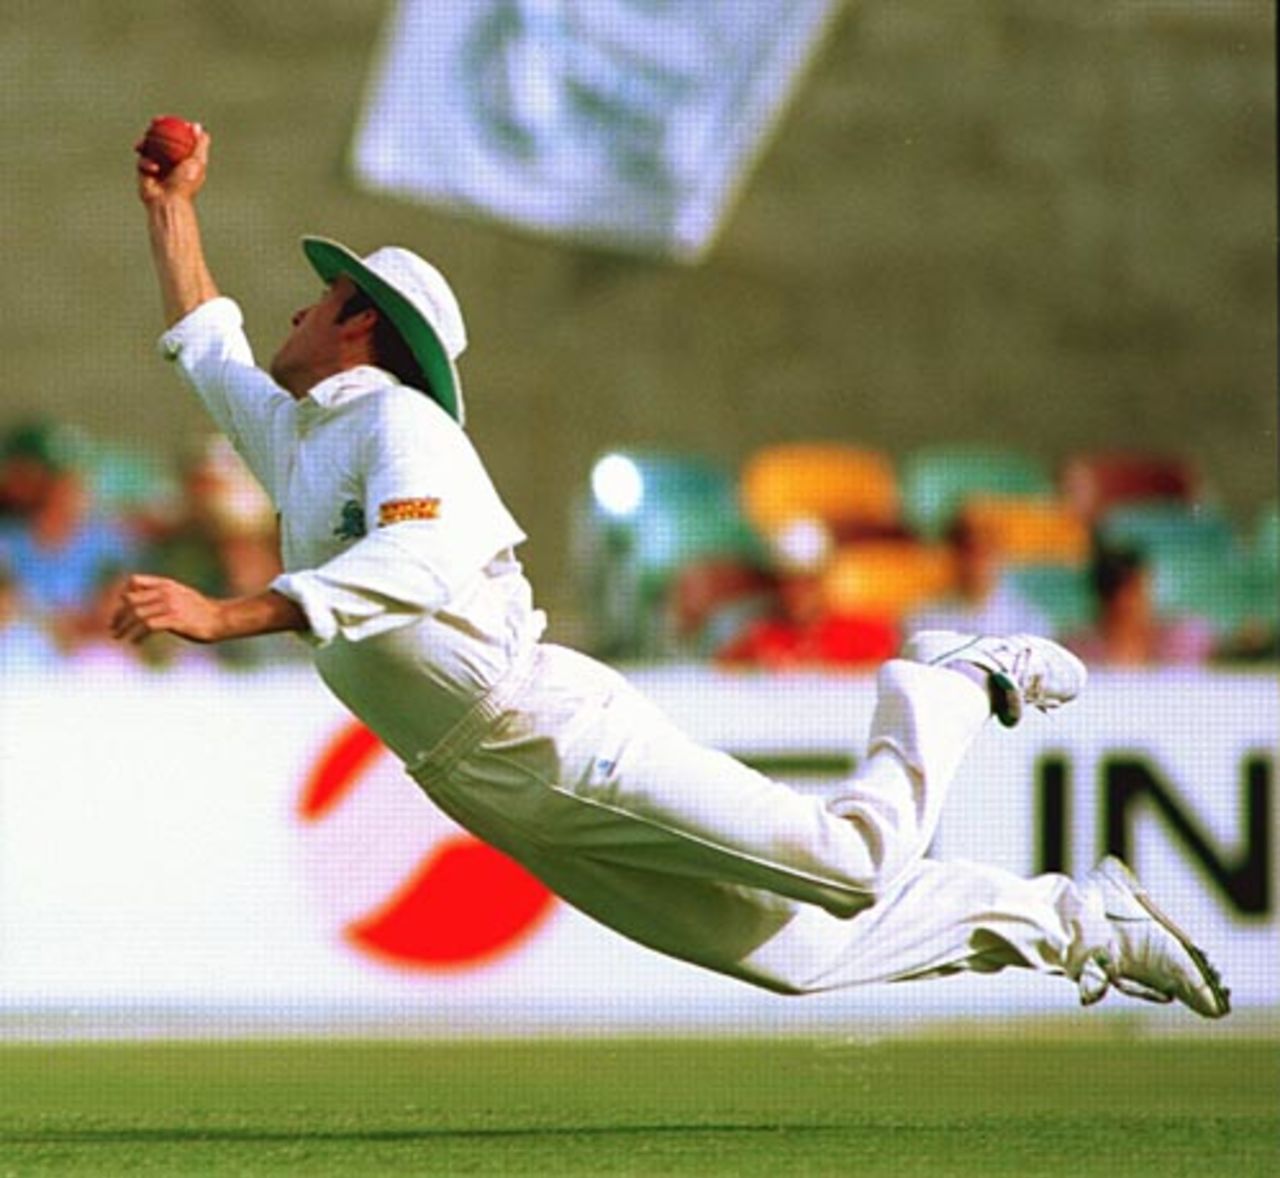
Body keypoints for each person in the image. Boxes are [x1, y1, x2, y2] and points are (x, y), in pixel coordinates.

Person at [113, 124, 1229, 1020]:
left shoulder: (402, 424)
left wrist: (233, 612)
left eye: (318, 297)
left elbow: (423, 556)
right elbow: (210, 344)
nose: (297, 309)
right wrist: (172, 208)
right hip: (475, 779)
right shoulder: (304, 438)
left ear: (362, 322)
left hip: (540, 723)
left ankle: (940, 685)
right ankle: (1076, 924)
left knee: (848, 862)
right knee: (796, 956)